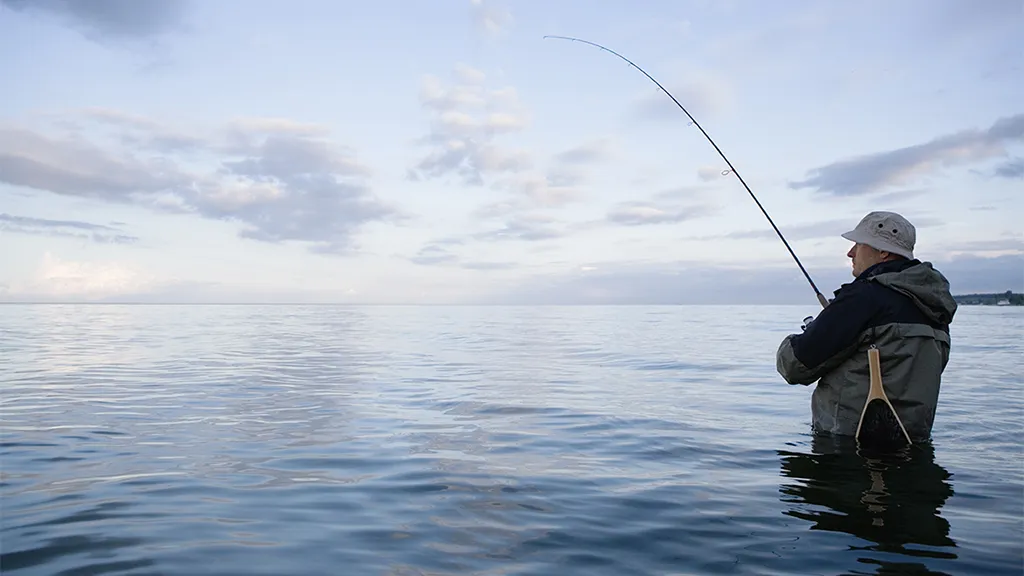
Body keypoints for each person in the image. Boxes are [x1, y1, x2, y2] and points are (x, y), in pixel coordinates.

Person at [776, 211, 958, 443]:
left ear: (882, 251)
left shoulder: (863, 299)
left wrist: (814, 330)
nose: (850, 252)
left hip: (848, 451)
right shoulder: (934, 308)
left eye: (859, 244)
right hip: (913, 444)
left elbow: (793, 366)